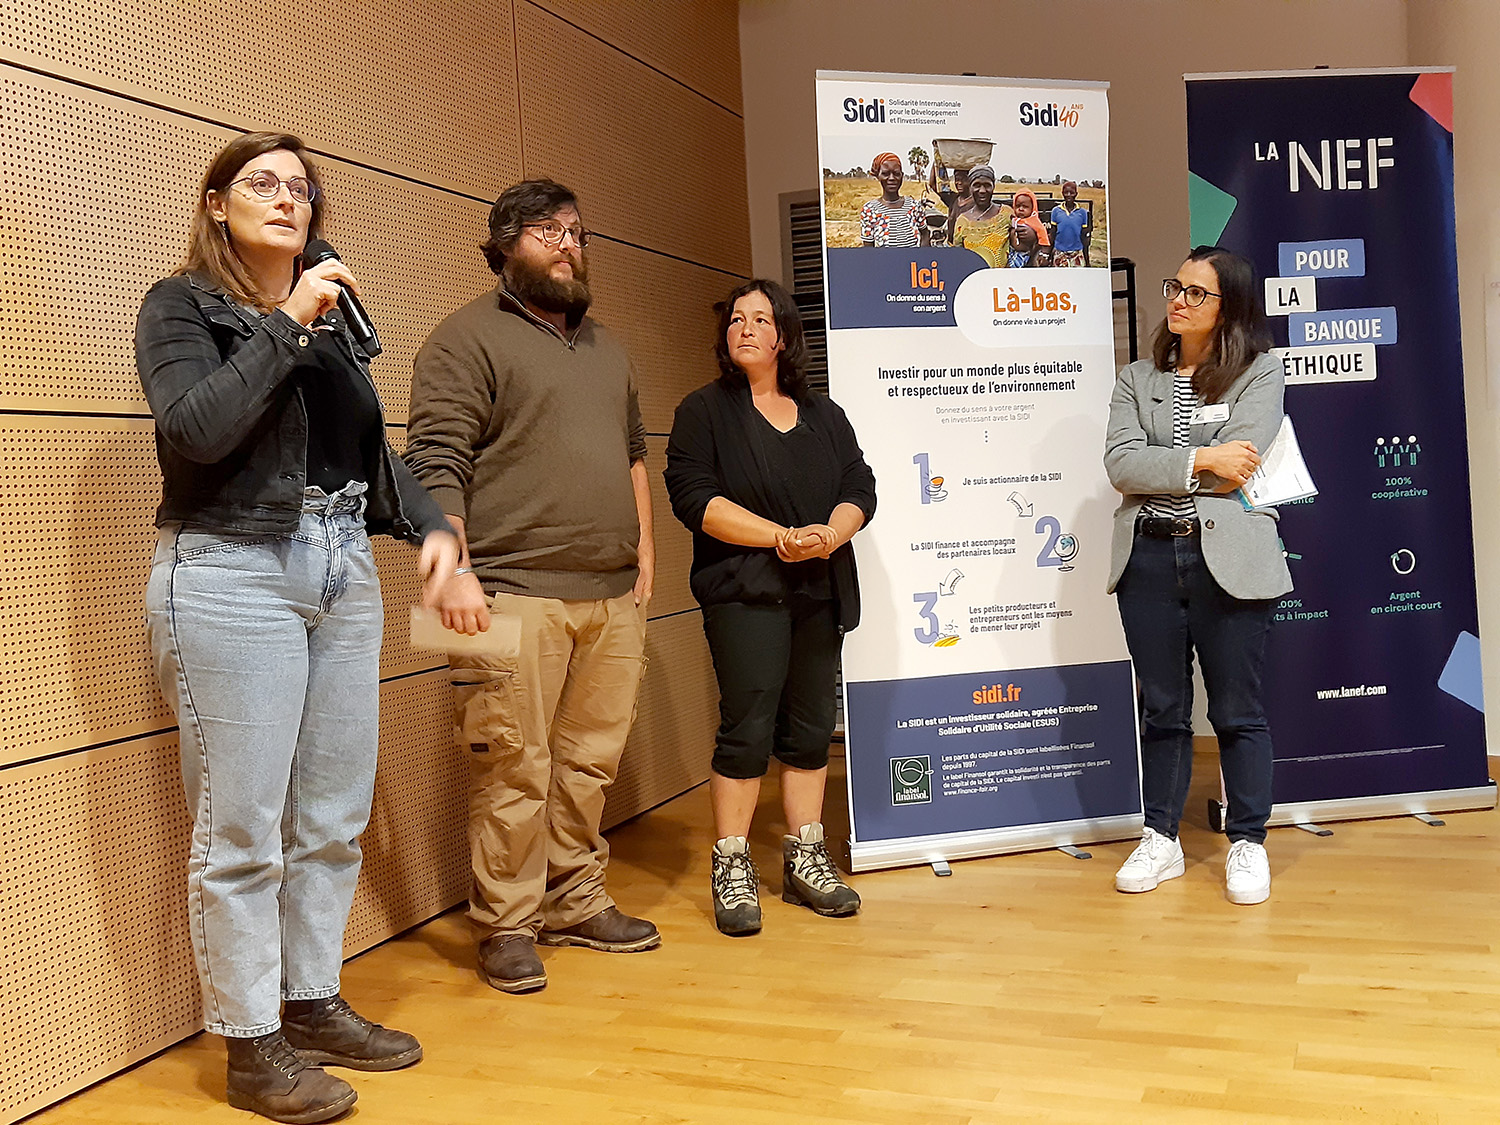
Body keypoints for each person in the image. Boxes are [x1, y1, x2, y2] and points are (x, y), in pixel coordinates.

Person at [136, 132, 458, 1124]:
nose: (288, 199)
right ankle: (249, 1044)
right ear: (216, 203)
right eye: (263, 183)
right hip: (232, 571)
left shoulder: (330, 328)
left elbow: (368, 454)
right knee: (242, 831)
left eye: (302, 188)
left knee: (331, 816)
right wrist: (288, 321)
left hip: (340, 568)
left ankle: (312, 1001)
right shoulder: (180, 306)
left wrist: (436, 530)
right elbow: (196, 429)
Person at [406, 179, 659, 995]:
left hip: (611, 594)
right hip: (507, 589)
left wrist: (645, 548)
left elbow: (632, 453)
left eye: (578, 232)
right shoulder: (462, 340)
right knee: (511, 765)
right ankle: (507, 924)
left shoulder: (608, 348)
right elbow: (435, 460)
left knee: (588, 763)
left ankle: (575, 900)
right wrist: (451, 570)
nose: (569, 245)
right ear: (504, 243)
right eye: (550, 231)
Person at [664, 279, 876, 936]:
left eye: (760, 318)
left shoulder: (824, 413)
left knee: (810, 729)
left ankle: (805, 858)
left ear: (784, 335)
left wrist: (832, 534)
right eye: (736, 319)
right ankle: (732, 863)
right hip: (744, 591)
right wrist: (780, 538)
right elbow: (694, 498)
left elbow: (859, 485)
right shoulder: (704, 411)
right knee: (748, 728)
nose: (745, 328)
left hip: (820, 588)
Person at [1103, 246, 1291, 907]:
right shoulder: (1136, 379)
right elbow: (1121, 466)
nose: (1177, 300)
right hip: (1149, 559)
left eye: (1196, 293)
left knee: (1238, 711)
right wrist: (1204, 459)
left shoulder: (1260, 372)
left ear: (1228, 307)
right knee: (1162, 709)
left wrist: (1177, 462)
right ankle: (1161, 837)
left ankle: (1248, 840)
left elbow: (1243, 463)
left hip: (1229, 560)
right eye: (1175, 286)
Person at [859, 152, 925, 247]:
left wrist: (923, 254)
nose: (891, 178)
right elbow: (868, 249)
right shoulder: (870, 210)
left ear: (902, 176)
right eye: (885, 174)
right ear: (878, 176)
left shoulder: (913, 206)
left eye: (896, 174)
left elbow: (925, 234)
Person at [950, 166, 1011, 268]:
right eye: (976, 185)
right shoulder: (962, 221)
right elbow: (958, 257)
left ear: (993, 186)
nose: (982, 190)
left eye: (987, 185)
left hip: (1002, 277)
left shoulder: (1006, 214)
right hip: (973, 276)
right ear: (970, 187)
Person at [1049, 181, 1092, 267]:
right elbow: (1053, 234)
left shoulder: (1082, 212)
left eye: (1071, 193)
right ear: (1062, 193)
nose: (1069, 195)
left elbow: (1084, 237)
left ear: (1076, 194)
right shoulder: (1056, 211)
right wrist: (1050, 256)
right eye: (1066, 192)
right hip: (1060, 251)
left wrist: (1087, 261)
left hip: (1076, 252)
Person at [1008, 189, 1051, 267]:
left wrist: (1044, 254)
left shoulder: (1034, 221)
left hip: (1026, 253)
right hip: (1012, 251)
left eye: (1025, 207)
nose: (1021, 209)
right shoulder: (1013, 219)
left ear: (1032, 208)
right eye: (1017, 206)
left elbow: (1043, 237)